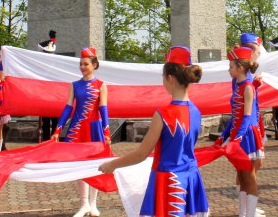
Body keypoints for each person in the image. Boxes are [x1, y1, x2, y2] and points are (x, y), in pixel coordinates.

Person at [99, 46, 209, 217]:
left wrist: (112, 165)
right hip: (191, 178)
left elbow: (141, 154)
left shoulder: (163, 115)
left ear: (170, 78)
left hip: (168, 182)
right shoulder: (196, 111)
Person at [52, 47, 110, 217]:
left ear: (94, 65)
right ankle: (84, 204)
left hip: (94, 128)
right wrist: (58, 129)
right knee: (79, 165)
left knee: (95, 165)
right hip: (77, 129)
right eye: (81, 64)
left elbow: (104, 108)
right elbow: (68, 108)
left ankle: (93, 204)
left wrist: (106, 132)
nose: (82, 67)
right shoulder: (75, 85)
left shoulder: (101, 85)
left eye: (86, 64)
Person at [217, 46, 263, 217]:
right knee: (241, 175)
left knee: (249, 176)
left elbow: (247, 116)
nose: (229, 70)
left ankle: (249, 214)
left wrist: (238, 137)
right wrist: (224, 134)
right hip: (238, 133)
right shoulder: (236, 84)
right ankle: (242, 213)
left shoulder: (248, 87)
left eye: (231, 67)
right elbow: (234, 115)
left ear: (240, 68)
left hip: (247, 135)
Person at [37, 30, 59, 142]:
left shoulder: (57, 65)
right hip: (44, 96)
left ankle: (53, 141)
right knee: (46, 122)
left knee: (55, 121)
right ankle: (46, 142)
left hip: (55, 96)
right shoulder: (40, 66)